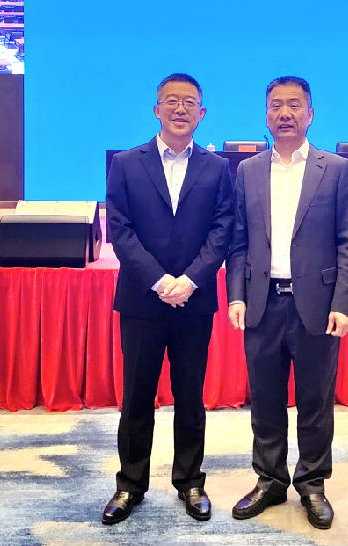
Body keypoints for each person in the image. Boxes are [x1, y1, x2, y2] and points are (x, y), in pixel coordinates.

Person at [226, 75, 348, 530]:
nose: (285, 113)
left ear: (310, 113)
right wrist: (237, 294)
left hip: (317, 305)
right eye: (276, 105)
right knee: (265, 398)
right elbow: (238, 241)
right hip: (262, 302)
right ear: (266, 114)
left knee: (315, 399)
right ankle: (269, 480)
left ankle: (312, 484)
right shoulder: (248, 171)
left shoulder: (336, 169)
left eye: (294, 105)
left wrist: (344, 303)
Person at [102, 73, 234, 525]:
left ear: (202, 113)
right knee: (137, 396)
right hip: (142, 300)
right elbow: (120, 230)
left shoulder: (217, 168)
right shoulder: (126, 163)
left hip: (194, 301)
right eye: (171, 101)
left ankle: (190, 481)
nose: (180, 109)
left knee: (190, 397)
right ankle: (129, 484)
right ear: (156, 109)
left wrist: (191, 280)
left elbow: (223, 229)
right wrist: (159, 281)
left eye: (189, 102)